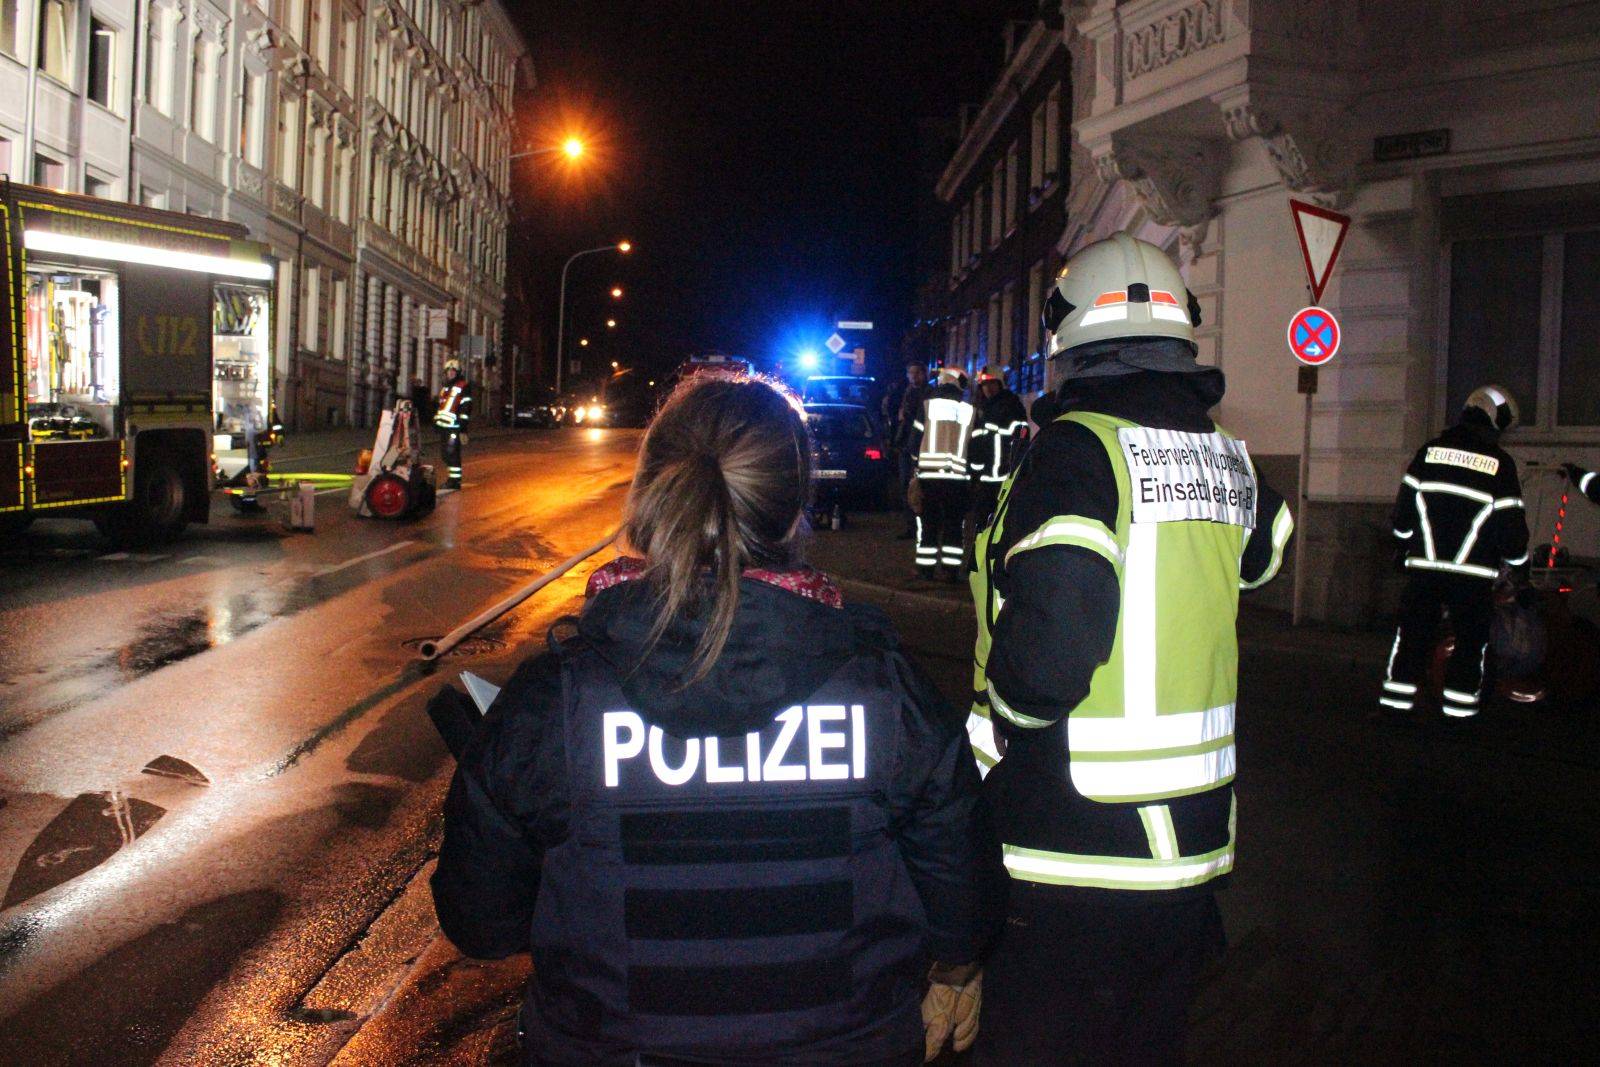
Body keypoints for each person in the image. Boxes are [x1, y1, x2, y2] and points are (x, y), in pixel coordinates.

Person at [431, 376, 1006, 1065]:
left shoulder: (555, 698)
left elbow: (480, 923)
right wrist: (951, 973)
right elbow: (967, 911)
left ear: (651, 495)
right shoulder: (888, 691)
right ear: (794, 509)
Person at [966, 233, 1294, 1064]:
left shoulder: (1077, 451)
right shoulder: (1226, 458)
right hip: (1190, 849)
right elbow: (1264, 558)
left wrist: (1006, 718)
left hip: (1074, 848)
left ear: (1069, 340)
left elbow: (1047, 660)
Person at [1383, 385, 1529, 719]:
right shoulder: (1500, 465)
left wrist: (1402, 546)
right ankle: (1459, 713)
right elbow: (1511, 530)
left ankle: (1395, 707)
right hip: (1472, 576)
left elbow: (1403, 512)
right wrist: (1520, 568)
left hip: (1425, 569)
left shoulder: (1428, 452)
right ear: (1495, 423)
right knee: (1470, 643)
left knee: (1412, 636)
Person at [912, 367, 973, 581]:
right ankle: (950, 571)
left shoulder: (927, 407)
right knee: (954, 525)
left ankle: (925, 570)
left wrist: (915, 464)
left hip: (929, 477)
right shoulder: (968, 411)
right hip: (957, 478)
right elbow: (975, 447)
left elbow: (914, 442)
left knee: (929, 524)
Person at [966, 363, 1030, 540]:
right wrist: (974, 472)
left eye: (991, 383)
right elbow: (977, 442)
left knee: (999, 524)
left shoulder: (1011, 406)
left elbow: (1021, 438)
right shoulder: (984, 408)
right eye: (984, 384)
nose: (987, 388)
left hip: (1002, 476)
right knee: (983, 523)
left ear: (1000, 383)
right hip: (986, 477)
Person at [894, 362, 933, 539]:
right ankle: (911, 526)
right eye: (911, 373)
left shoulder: (928, 393)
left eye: (917, 373)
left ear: (923, 374)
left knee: (920, 487)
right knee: (906, 487)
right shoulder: (908, 391)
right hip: (906, 445)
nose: (913, 376)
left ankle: (924, 526)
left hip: (921, 445)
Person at [433, 358, 472, 489]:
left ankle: (454, 481)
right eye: (448, 371)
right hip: (444, 427)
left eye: (453, 371)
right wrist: (436, 423)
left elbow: (466, 407)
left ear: (458, 372)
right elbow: (441, 407)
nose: (450, 373)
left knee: (452, 453)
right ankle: (453, 479)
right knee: (445, 454)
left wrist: (463, 427)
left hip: (455, 427)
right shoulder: (445, 388)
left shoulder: (463, 386)